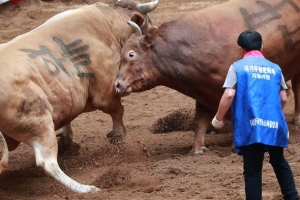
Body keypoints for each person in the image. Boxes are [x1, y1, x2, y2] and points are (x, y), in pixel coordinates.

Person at [211, 30, 299, 200]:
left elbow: (229, 95)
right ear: (262, 46)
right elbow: (283, 97)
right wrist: (276, 116)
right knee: (279, 162)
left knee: (252, 170)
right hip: (274, 125)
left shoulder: (237, 67)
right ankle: (292, 196)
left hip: (250, 126)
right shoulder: (275, 68)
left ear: (241, 49)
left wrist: (218, 118)